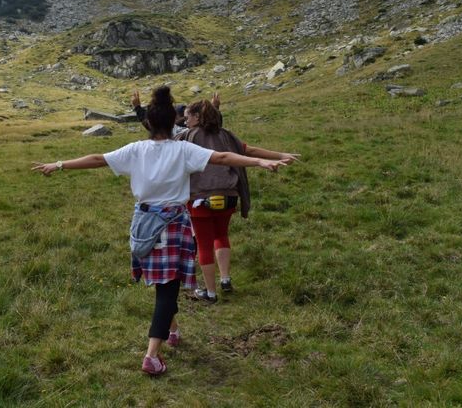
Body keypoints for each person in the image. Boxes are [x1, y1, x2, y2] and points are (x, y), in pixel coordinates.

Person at [32, 86, 295, 376]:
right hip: (173, 224)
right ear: (174, 122)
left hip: (143, 223)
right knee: (167, 291)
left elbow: (97, 158)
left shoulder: (136, 149)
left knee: (164, 285)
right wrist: (259, 161)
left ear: (147, 123)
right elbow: (221, 158)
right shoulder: (182, 149)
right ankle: (151, 356)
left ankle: (173, 332)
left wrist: (57, 164)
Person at [178, 100, 300, 303]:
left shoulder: (187, 137)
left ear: (198, 118)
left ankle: (210, 292)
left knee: (204, 244)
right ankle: (225, 279)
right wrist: (280, 155)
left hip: (199, 198)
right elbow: (249, 150)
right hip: (229, 195)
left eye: (189, 116)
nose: (185, 120)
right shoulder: (226, 135)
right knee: (221, 235)